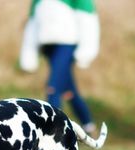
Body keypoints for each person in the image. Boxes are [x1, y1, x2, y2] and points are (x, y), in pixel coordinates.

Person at [19, 0, 100, 134]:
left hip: (67, 44)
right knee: (68, 91)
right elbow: (33, 24)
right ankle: (89, 127)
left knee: (53, 87)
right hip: (47, 46)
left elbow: (88, 19)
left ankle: (52, 132)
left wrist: (86, 50)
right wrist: (28, 56)